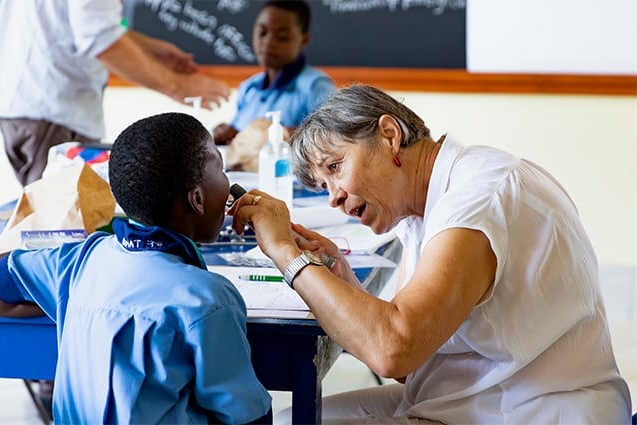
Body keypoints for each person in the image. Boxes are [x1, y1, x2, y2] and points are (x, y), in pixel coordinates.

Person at [229, 84, 633, 424]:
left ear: (389, 135)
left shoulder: (476, 198)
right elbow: (409, 366)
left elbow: (393, 350)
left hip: (534, 409)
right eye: (323, 185)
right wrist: (343, 283)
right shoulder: (420, 210)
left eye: (335, 167)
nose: (333, 197)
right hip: (472, 398)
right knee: (285, 420)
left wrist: (285, 253)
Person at [0, 112, 272, 424]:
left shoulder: (79, 261)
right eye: (221, 170)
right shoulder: (208, 299)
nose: (229, 185)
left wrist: (62, 300)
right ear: (197, 199)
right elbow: (247, 416)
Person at [0, 0, 231, 187]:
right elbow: (99, 38)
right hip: (51, 109)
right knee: (57, 226)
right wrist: (179, 86)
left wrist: (148, 49)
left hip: (35, 105)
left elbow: (89, 23)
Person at [212, 0, 335, 146]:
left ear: (303, 40)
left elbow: (332, 136)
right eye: (262, 33)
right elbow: (237, 133)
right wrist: (226, 132)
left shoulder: (315, 86)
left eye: (282, 37)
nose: (269, 42)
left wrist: (284, 134)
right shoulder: (249, 88)